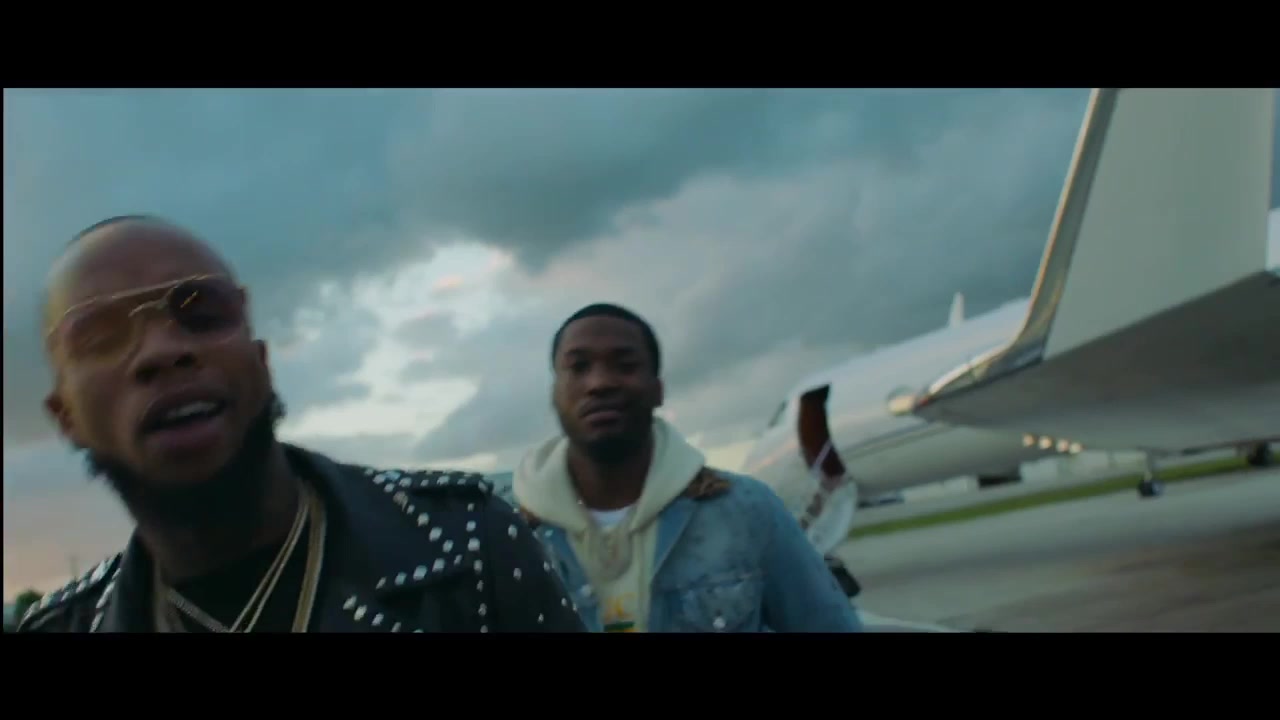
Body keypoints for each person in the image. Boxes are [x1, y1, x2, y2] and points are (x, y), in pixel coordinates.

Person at [17, 215, 586, 633]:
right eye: (100, 337)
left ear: (261, 363)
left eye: (202, 313)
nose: (163, 351)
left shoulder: (469, 546)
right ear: (66, 418)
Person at [510, 303, 863, 632]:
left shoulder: (747, 511)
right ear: (554, 393)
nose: (599, 383)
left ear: (658, 389)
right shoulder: (510, 538)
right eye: (578, 367)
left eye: (625, 365)